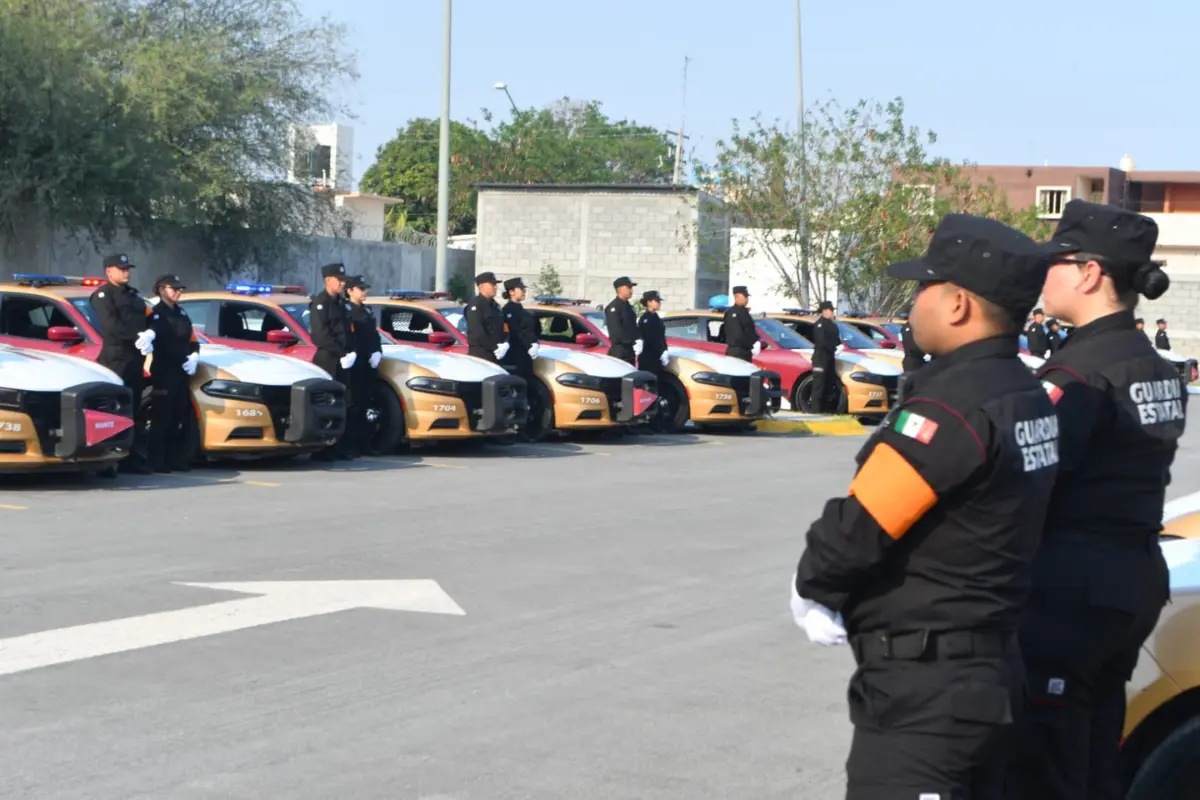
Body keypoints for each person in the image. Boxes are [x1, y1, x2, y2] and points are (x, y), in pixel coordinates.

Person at [791, 213, 1060, 800]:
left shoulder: (951, 405)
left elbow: (857, 527)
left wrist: (812, 582)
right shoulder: (1024, 392)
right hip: (989, 672)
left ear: (959, 304)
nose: (914, 303)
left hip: (928, 697)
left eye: (923, 288)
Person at [1002, 200, 1187, 800]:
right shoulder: (1157, 368)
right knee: (1097, 750)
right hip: (1130, 580)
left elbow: (1028, 478)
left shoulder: (1079, 374)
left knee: (1046, 765)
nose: (1045, 274)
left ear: (1089, 273)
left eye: (1056, 260)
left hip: (1070, 594)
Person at [90, 253, 155, 474]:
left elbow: (151, 317)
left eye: (128, 268)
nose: (126, 272)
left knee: (133, 410)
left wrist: (150, 333)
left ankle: (131, 459)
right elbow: (111, 327)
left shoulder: (134, 296)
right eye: (122, 268)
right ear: (109, 271)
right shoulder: (103, 295)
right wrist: (138, 336)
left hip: (135, 360)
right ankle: (107, 461)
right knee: (113, 411)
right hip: (115, 359)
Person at [146, 274, 200, 473]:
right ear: (161, 289)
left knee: (178, 416)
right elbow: (162, 344)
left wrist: (194, 354)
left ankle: (173, 458)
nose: (178, 292)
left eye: (180, 288)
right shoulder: (156, 314)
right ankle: (156, 460)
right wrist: (182, 357)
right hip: (164, 371)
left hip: (181, 373)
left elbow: (193, 339)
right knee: (162, 417)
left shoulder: (182, 313)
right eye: (173, 288)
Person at [309, 262, 354, 461]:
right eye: (340, 279)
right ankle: (323, 449)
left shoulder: (341, 303)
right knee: (328, 405)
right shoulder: (321, 303)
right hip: (328, 359)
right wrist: (341, 352)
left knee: (344, 403)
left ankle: (338, 446)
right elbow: (320, 336)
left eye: (344, 280)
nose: (343, 283)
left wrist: (351, 352)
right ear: (328, 280)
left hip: (344, 360)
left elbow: (347, 332)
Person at [344, 275, 383, 458]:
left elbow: (374, 335)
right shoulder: (347, 311)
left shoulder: (367, 311)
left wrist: (378, 351)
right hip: (355, 362)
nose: (364, 292)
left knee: (366, 403)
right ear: (350, 291)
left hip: (369, 362)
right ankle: (351, 445)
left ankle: (364, 443)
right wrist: (352, 353)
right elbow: (349, 337)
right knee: (354, 404)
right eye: (361, 289)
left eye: (365, 289)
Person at [465, 272, 508, 363]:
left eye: (496, 284)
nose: (495, 287)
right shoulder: (476, 306)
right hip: (481, 355)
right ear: (481, 286)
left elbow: (505, 326)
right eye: (492, 284)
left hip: (497, 354)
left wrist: (506, 342)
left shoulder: (496, 306)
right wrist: (495, 347)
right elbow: (478, 333)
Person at [501, 277, 538, 377]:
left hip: (526, 352)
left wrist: (535, 343)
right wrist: (529, 346)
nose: (524, 292)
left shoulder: (520, 308)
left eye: (524, 290)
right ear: (511, 291)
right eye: (521, 289)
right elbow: (515, 331)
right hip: (515, 353)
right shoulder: (508, 310)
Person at [809, 300, 841, 413]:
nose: (832, 312)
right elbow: (821, 342)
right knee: (819, 386)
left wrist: (839, 346)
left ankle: (824, 410)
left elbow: (836, 339)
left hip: (830, 358)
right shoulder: (819, 324)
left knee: (828, 385)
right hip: (820, 359)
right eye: (830, 310)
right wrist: (834, 347)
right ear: (824, 311)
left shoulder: (832, 325)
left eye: (832, 310)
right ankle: (815, 412)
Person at [604, 276, 640, 365]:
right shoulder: (614, 307)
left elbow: (632, 327)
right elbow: (615, 333)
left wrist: (639, 339)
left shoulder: (629, 307)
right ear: (620, 289)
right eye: (629, 288)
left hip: (630, 350)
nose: (631, 290)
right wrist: (630, 340)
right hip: (619, 351)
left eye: (631, 288)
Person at [722, 285, 758, 362]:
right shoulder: (732, 313)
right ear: (737, 296)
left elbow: (749, 330)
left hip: (745, 352)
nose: (747, 299)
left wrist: (756, 341)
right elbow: (737, 335)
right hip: (737, 352)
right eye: (745, 296)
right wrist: (750, 343)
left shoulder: (744, 312)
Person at [637, 290, 669, 374]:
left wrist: (664, 350)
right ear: (649, 302)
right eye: (657, 301)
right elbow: (648, 339)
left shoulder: (656, 318)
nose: (659, 303)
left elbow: (661, 337)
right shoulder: (645, 319)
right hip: (648, 358)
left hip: (656, 357)